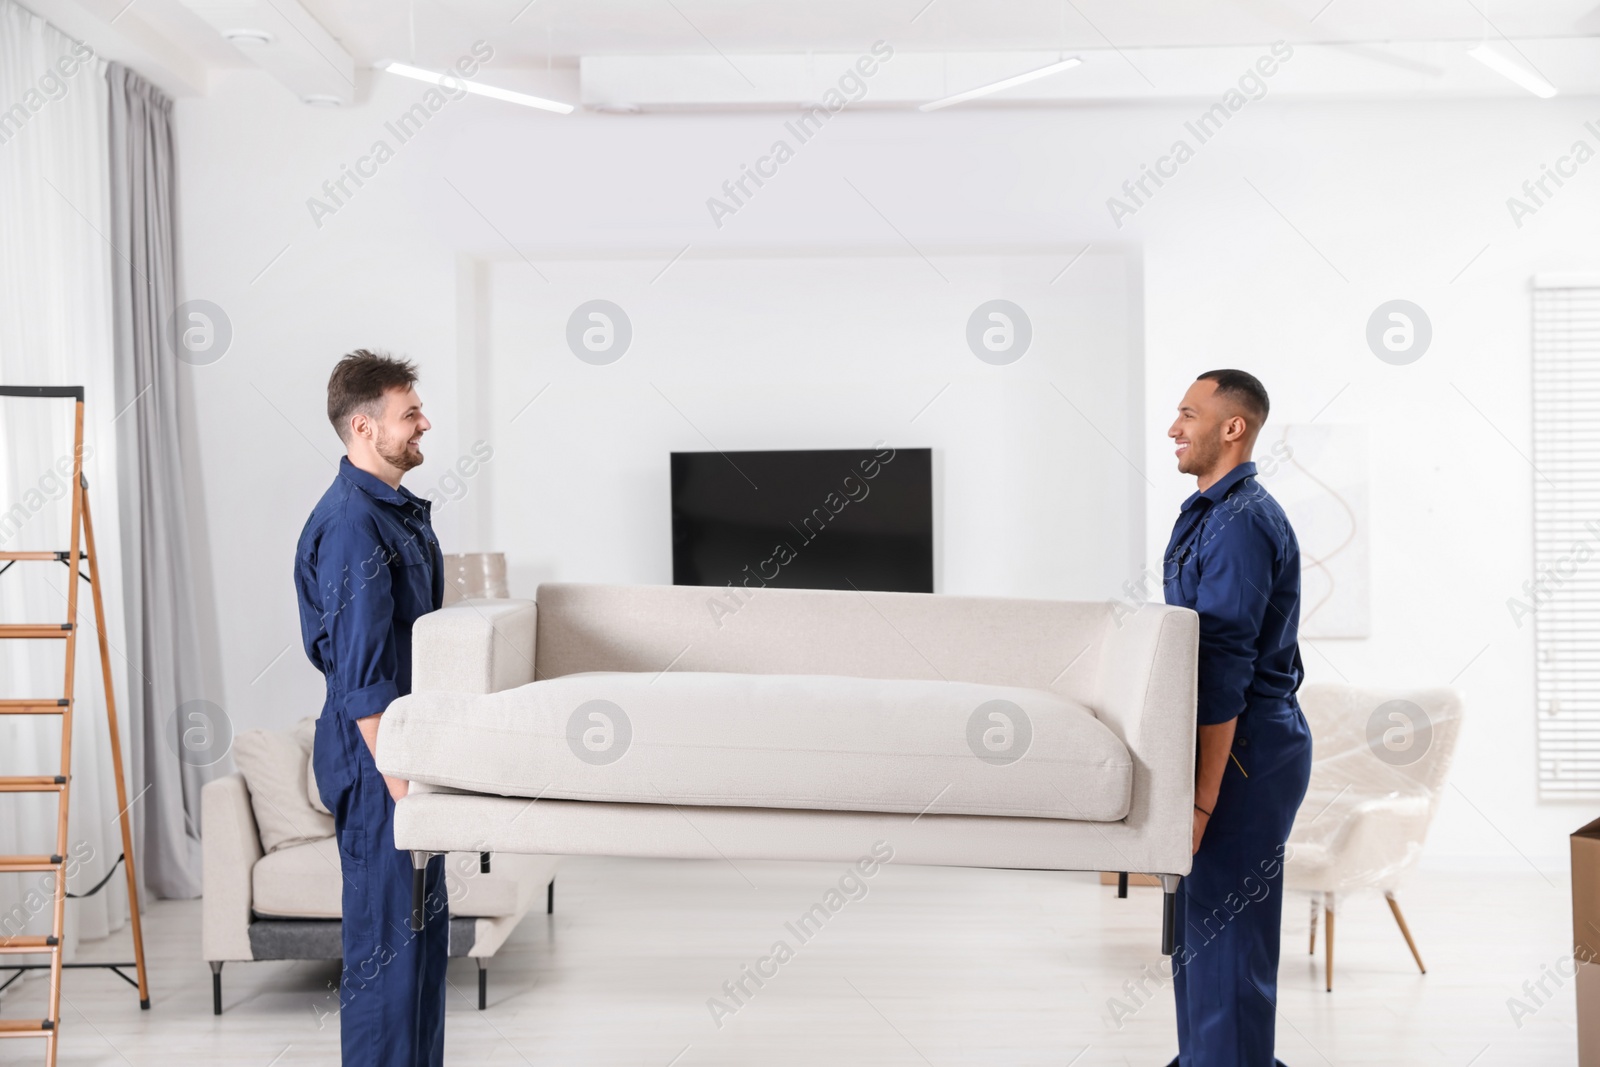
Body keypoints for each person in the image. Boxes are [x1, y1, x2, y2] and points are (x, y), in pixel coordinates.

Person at [294, 350, 447, 1066]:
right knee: (388, 964)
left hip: (407, 755)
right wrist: (404, 788)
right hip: (378, 762)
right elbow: (361, 678)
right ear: (363, 427)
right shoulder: (354, 524)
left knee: (418, 960)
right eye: (408, 413)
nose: (424, 423)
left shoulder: (393, 510)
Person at [1162, 369, 1312, 1067]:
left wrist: (1200, 795)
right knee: (1200, 934)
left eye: (1188, 413)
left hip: (1245, 747)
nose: (1173, 428)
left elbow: (1224, 664)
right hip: (1222, 741)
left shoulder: (1244, 522)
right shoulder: (1208, 513)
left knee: (1227, 939)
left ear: (1233, 427)